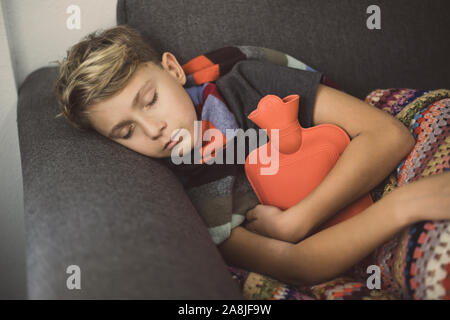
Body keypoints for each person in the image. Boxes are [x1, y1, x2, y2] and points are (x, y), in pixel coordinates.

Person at [54, 25, 450, 287]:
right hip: (376, 222)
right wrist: (400, 209)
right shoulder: (193, 197)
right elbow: (297, 266)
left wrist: (298, 220)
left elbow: (388, 134)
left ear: (172, 70)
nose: (153, 128)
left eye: (151, 99)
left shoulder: (246, 83)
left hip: (394, 154)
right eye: (126, 132)